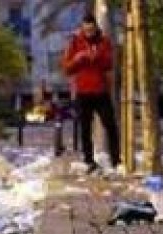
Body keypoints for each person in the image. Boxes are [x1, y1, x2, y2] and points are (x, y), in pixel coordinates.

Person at [61, 13, 120, 173]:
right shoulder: (74, 42)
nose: (89, 33)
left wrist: (97, 56)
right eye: (86, 30)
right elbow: (66, 68)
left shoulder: (104, 41)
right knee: (84, 128)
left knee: (111, 125)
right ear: (82, 28)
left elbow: (109, 63)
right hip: (82, 91)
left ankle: (116, 159)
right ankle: (88, 160)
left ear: (95, 28)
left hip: (100, 90)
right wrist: (79, 59)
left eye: (92, 30)